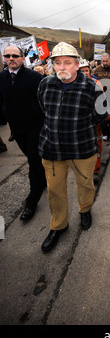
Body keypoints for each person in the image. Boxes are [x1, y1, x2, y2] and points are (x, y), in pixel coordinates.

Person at [38, 42, 108, 253]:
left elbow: (101, 116)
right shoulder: (45, 84)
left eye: (67, 62)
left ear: (77, 65)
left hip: (81, 149)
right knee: (54, 191)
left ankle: (85, 210)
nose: (62, 67)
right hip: (52, 149)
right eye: (57, 63)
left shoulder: (92, 87)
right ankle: (58, 226)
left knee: (85, 185)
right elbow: (43, 108)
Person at [0, 45, 47, 221]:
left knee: (34, 162)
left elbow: (44, 101)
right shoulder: (1, 78)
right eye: (7, 55)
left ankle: (32, 201)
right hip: (16, 129)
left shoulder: (35, 77)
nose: (11, 58)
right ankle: (42, 180)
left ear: (22, 58)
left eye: (15, 55)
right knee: (33, 159)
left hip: (36, 127)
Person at [78, 58, 104, 175]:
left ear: (90, 71)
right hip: (80, 123)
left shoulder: (97, 84)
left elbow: (102, 103)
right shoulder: (73, 84)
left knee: (96, 145)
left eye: (86, 71)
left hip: (94, 121)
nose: (85, 73)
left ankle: (96, 169)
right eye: (82, 71)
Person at [93, 53, 110, 142]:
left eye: (106, 61)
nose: (105, 63)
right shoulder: (97, 70)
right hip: (101, 96)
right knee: (102, 115)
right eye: (103, 61)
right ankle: (105, 133)